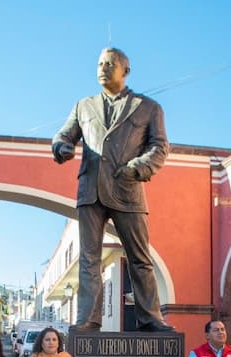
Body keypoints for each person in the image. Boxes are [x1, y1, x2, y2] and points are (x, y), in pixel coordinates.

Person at [52, 47, 172, 333]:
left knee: (140, 259)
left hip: (127, 188)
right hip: (90, 190)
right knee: (89, 260)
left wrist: (136, 167)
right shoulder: (84, 106)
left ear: (125, 71)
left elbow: (160, 147)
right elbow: (63, 134)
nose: (103, 68)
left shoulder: (148, 107)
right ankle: (88, 320)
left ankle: (150, 318)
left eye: (110, 64)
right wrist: (61, 146)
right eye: (100, 63)